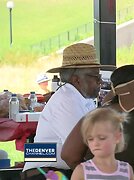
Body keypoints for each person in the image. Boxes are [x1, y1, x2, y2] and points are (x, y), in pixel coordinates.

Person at [22, 43, 115, 179]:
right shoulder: (67, 100)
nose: (100, 82)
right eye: (96, 77)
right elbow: (81, 150)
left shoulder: (81, 97)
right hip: (44, 173)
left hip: (58, 170)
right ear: (77, 80)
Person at [71, 108, 134, 180]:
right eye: (90, 139)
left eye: (102, 138)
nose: (95, 143)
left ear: (117, 137)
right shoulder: (82, 171)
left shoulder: (127, 170)